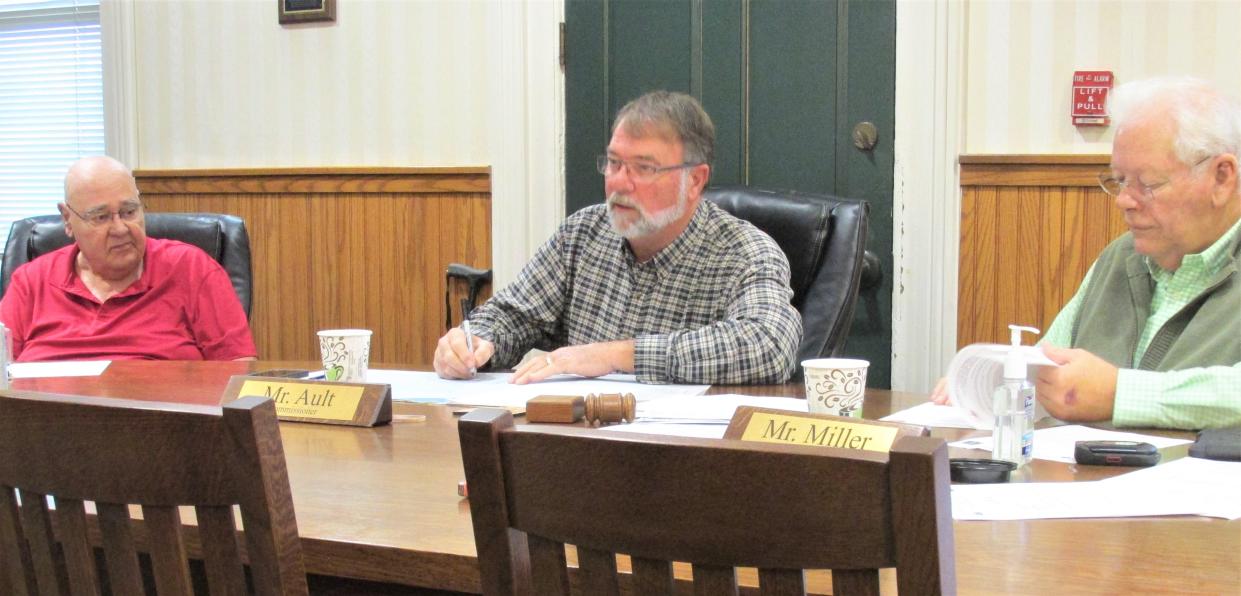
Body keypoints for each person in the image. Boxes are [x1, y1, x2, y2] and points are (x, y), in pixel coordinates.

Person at [434, 91, 802, 384]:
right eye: (614, 163)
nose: (619, 183)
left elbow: (769, 345)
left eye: (644, 168)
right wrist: (474, 344)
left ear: (695, 180)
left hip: (687, 462)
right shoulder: (583, 234)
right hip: (582, 447)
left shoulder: (745, 252)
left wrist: (615, 355)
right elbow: (514, 316)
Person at [934, 77, 1240, 430]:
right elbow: (1050, 358)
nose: (1125, 200)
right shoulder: (1121, 256)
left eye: (1148, 184)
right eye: (1120, 181)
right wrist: (991, 383)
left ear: (1222, 177)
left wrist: (1120, 394)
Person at [0, 156, 258, 362]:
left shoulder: (192, 270)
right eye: (101, 217)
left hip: (162, 423)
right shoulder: (31, 282)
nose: (121, 228)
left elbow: (238, 369)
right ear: (68, 220)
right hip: (47, 424)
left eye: (129, 211)